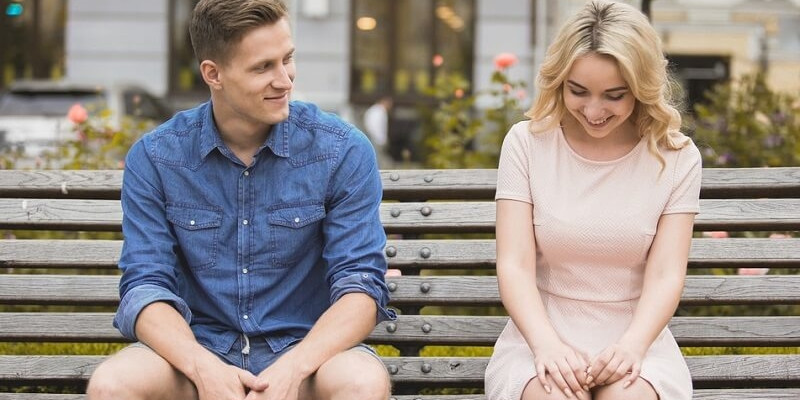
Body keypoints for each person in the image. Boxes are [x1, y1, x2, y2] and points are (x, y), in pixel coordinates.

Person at [86, 1, 395, 399]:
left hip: (310, 356)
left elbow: (361, 285)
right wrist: (203, 368)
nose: (284, 80)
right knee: (112, 385)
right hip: (196, 353)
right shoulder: (158, 157)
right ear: (213, 74)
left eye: (287, 59)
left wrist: (293, 370)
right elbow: (145, 286)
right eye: (263, 67)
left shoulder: (341, 150)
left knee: (363, 382)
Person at [484, 1, 701, 400]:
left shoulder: (677, 157)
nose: (594, 110)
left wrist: (632, 347)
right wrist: (546, 344)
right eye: (578, 91)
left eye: (614, 95)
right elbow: (514, 265)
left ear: (641, 87)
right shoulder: (527, 144)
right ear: (559, 81)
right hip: (539, 336)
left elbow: (666, 275)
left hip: (637, 340)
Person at [363, 96, 393, 166]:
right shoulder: (379, 111)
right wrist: (380, 140)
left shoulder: (374, 110)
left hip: (375, 139)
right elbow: (375, 126)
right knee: (378, 161)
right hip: (376, 140)